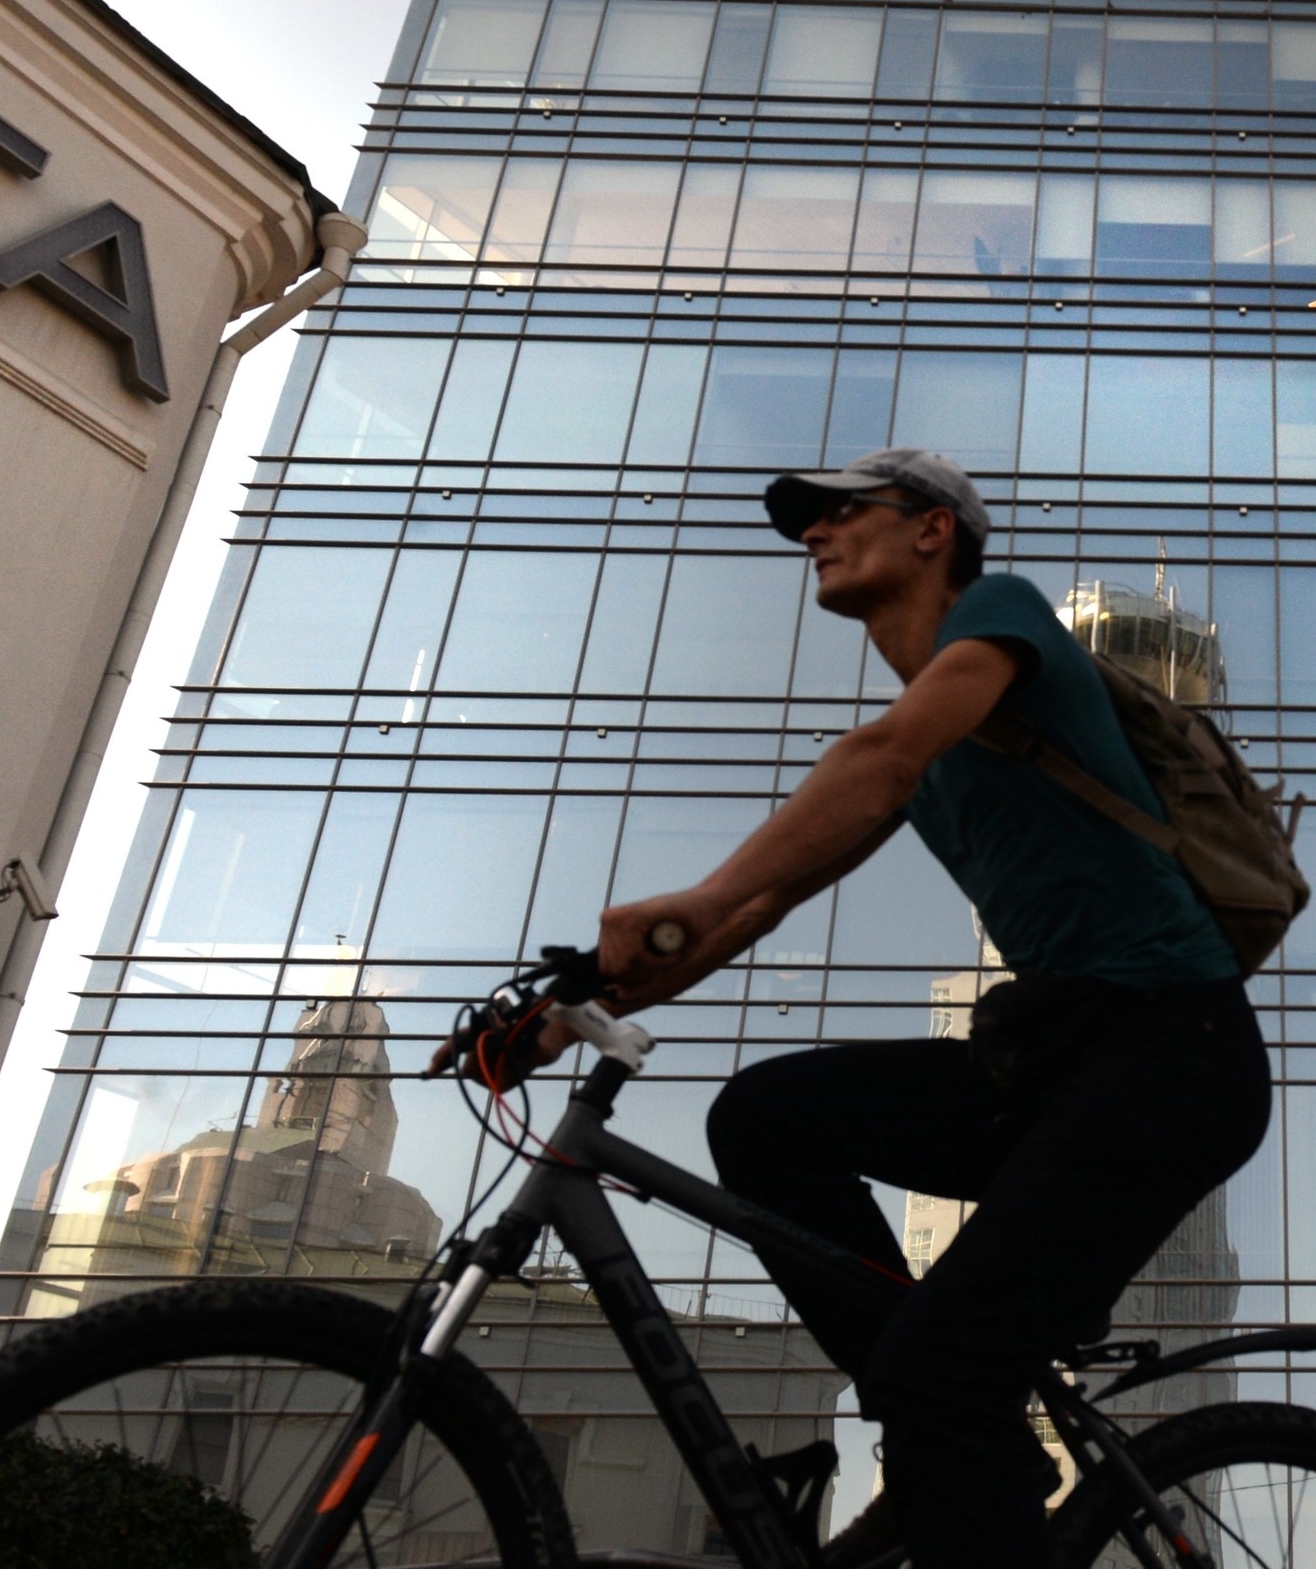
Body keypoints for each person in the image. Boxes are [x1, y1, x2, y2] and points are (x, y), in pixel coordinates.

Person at [499, 447, 1267, 1569]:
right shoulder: (923, 749)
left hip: (1170, 1055)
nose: (814, 530)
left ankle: (944, 1422)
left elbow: (881, 757)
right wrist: (567, 1007)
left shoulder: (997, 619)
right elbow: (755, 908)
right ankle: (934, 1438)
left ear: (932, 530)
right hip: (1056, 1063)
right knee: (765, 1119)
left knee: (948, 1370)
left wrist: (692, 895)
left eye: (840, 510)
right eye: (807, 519)